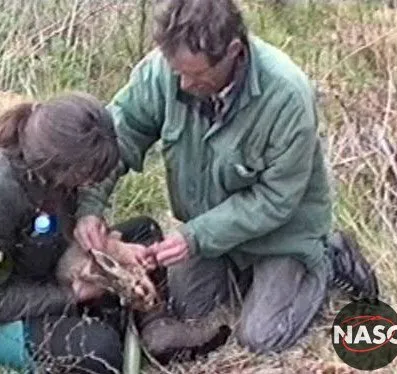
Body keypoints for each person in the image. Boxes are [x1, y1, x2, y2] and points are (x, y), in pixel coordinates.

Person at [73, 0, 379, 359]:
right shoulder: (164, 72)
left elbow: (276, 198)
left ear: (234, 52)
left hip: (281, 233)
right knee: (190, 309)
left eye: (196, 75)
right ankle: (249, 276)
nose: (183, 84)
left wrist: (197, 236)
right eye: (177, 71)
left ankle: (327, 259)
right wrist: (90, 205)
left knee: (262, 336)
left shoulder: (287, 96)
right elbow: (119, 137)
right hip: (210, 231)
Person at [0, 93, 167, 373]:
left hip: (42, 266)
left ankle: (140, 320)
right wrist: (74, 294)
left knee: (144, 232)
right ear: (58, 165)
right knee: (100, 352)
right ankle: (108, 320)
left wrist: (111, 251)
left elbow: (53, 237)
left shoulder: (51, 171)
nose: (92, 182)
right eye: (88, 175)